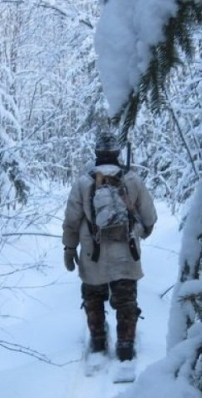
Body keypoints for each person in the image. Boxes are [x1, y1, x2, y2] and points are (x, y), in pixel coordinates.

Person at [62, 131, 157, 361]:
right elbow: (149, 217)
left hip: (92, 255)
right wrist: (141, 232)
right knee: (126, 302)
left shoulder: (83, 183)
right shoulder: (132, 179)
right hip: (126, 254)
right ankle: (125, 345)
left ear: (97, 153)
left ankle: (98, 341)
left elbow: (72, 221)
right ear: (117, 153)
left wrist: (69, 248)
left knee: (93, 299)